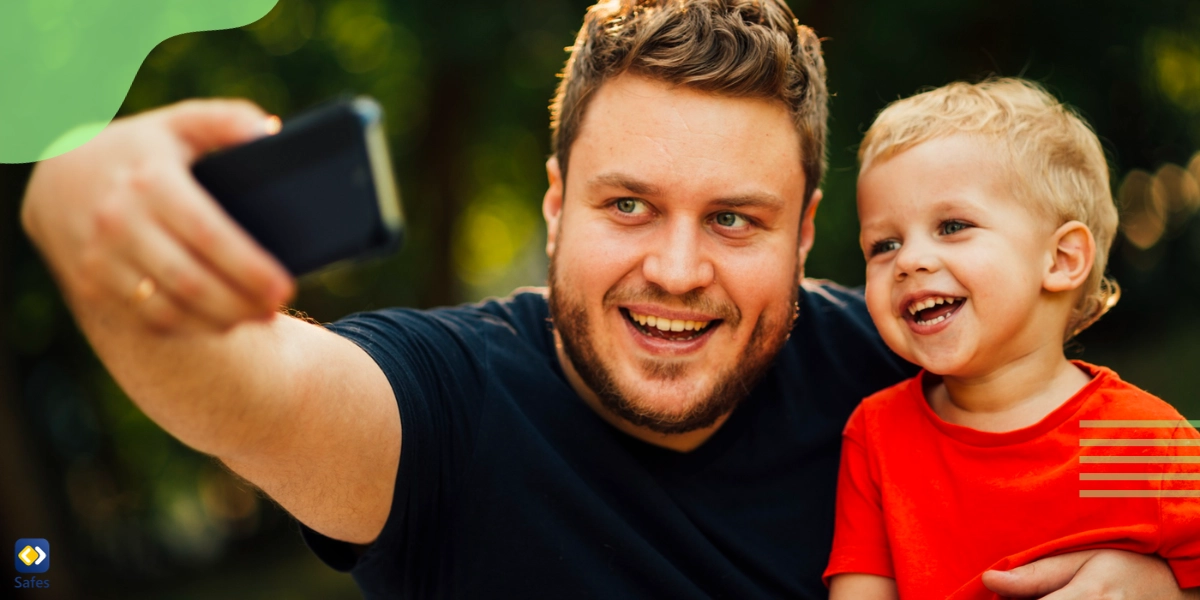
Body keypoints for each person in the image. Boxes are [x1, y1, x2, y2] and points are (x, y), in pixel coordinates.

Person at [17, 0, 1198, 597]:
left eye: (734, 219)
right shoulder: (447, 411)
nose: (677, 269)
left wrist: (1155, 576)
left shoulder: (910, 362)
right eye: (628, 206)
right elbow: (241, 387)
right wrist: (92, 225)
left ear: (802, 235)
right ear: (553, 206)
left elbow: (1153, 463)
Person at [824, 78, 1200, 600]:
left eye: (952, 225)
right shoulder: (879, 437)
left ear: (1061, 259)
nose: (909, 260)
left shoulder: (1134, 446)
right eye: (884, 244)